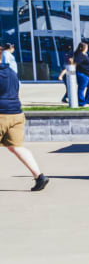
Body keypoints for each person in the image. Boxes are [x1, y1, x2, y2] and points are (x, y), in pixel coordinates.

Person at [0, 59, 49, 190]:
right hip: (16, 114)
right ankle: (39, 177)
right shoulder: (11, 72)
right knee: (15, 147)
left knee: (14, 147)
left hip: (1, 114)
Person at [73, 41, 89, 106]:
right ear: (83, 48)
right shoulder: (80, 55)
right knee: (81, 88)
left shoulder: (85, 55)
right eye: (86, 47)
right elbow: (75, 64)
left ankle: (87, 100)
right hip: (83, 74)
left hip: (88, 75)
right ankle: (81, 102)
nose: (87, 48)